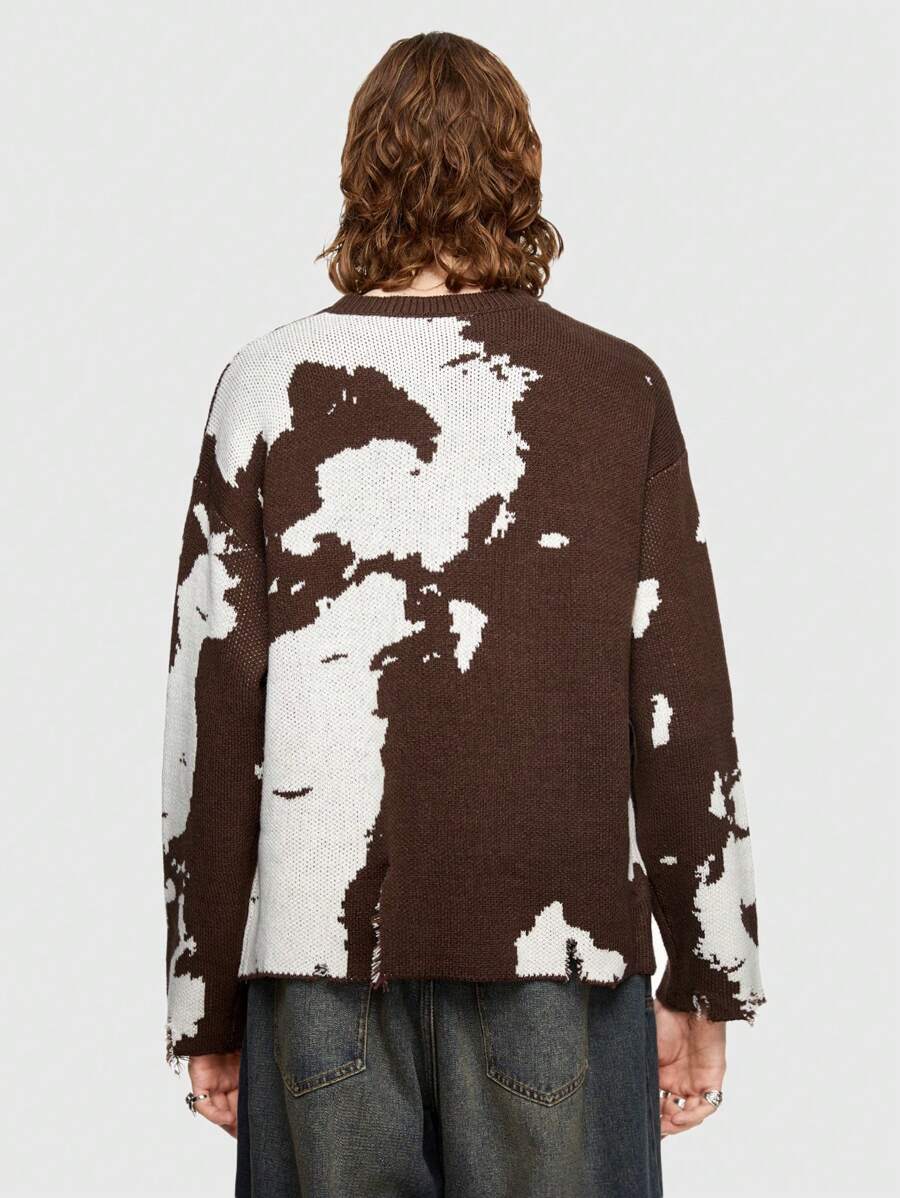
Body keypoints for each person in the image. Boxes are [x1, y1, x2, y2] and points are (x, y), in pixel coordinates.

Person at [161, 30, 764, 1197]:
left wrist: (205, 1002)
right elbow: (682, 701)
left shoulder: (266, 383)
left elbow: (214, 709)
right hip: (558, 956)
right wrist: (706, 975)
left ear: (361, 174)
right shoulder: (616, 388)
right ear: (519, 173)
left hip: (320, 961)